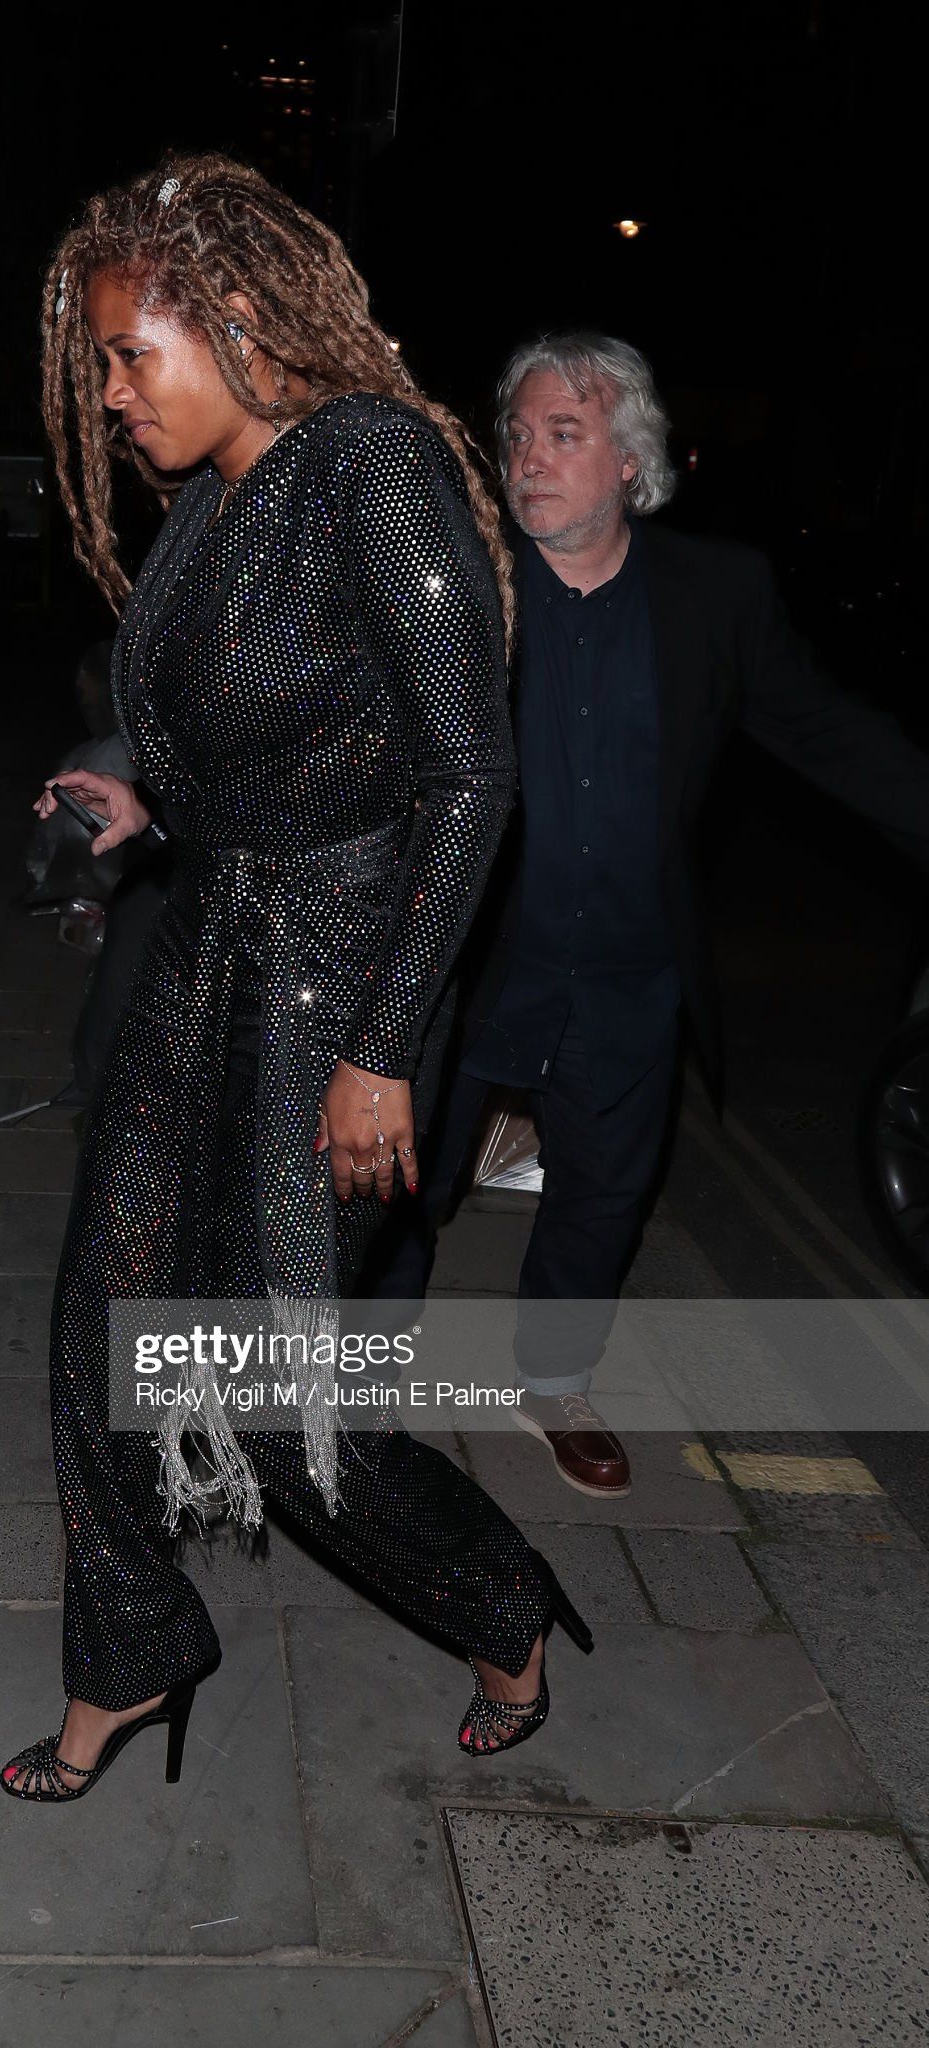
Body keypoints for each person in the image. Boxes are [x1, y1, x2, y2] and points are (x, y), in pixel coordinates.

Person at [0, 156, 592, 1803]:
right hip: (207, 947)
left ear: (239, 323)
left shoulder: (373, 463)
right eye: (103, 364)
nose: (110, 394)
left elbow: (465, 776)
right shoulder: (213, 500)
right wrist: (153, 806)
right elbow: (270, 729)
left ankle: (501, 1604)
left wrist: (385, 1048)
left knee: (276, 1403)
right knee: (100, 1320)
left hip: (344, 980)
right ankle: (131, 1648)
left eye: (130, 356)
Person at [364, 332, 929, 1501]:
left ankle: (554, 1379)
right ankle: (365, 1374)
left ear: (630, 459)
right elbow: (310, 701)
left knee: (605, 1188)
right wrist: (143, 780)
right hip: (473, 954)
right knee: (401, 1177)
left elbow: (826, 731)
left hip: (630, 965)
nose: (528, 458)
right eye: (518, 434)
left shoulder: (715, 596)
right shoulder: (460, 578)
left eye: (562, 434)